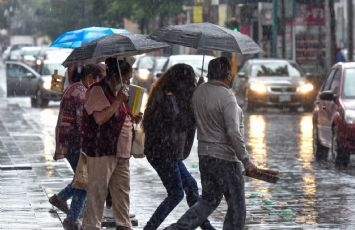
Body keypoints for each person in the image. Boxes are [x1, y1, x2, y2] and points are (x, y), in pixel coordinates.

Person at [165, 57, 258, 230]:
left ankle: (178, 228)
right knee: (237, 207)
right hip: (226, 159)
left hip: (205, 157)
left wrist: (200, 88)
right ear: (228, 75)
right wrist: (246, 160)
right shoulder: (227, 98)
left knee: (208, 201)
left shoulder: (199, 92)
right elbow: (233, 132)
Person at [142, 64, 215, 230]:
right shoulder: (168, 99)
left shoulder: (171, 94)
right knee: (176, 193)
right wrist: (195, 96)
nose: (192, 84)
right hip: (162, 153)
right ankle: (150, 227)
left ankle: (206, 226)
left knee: (190, 185)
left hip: (168, 152)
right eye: (191, 81)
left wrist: (196, 92)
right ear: (181, 81)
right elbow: (181, 122)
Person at [81, 57, 140, 230]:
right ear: (115, 76)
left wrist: (132, 117)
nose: (128, 82)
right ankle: (91, 226)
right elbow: (100, 118)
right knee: (97, 194)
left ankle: (124, 225)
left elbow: (120, 116)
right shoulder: (98, 91)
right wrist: (118, 101)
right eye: (126, 78)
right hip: (102, 150)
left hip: (121, 152)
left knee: (122, 194)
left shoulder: (120, 93)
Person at [49, 64, 103, 230]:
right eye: (97, 80)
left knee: (83, 178)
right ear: (89, 78)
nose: (98, 84)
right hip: (75, 142)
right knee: (85, 180)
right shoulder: (80, 92)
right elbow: (82, 123)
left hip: (70, 141)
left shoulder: (75, 88)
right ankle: (72, 218)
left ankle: (62, 200)